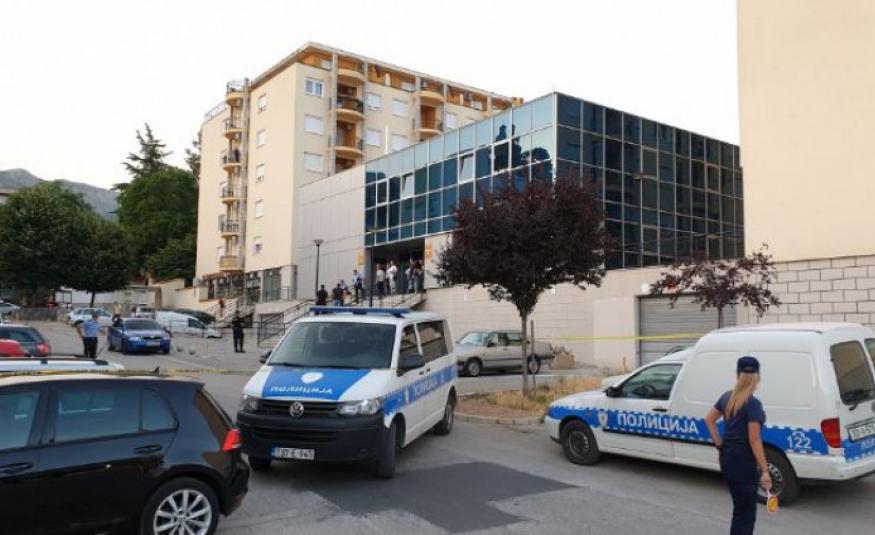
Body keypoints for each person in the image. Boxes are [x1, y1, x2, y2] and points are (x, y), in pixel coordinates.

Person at [705, 356, 771, 535]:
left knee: (740, 507)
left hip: (727, 456)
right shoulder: (753, 404)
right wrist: (765, 470)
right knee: (746, 512)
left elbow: (709, 420)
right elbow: (754, 439)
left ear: (737, 375)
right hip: (743, 459)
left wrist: (720, 444)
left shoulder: (727, 397)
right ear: (758, 377)